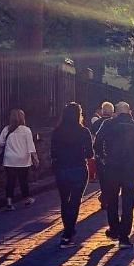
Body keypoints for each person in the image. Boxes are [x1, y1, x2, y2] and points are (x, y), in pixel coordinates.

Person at [94, 101, 134, 249]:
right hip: (130, 169)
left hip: (112, 168)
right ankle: (124, 237)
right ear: (130, 112)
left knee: (112, 200)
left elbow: (97, 144)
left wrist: (104, 157)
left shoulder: (108, 124)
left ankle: (114, 229)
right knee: (128, 202)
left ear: (116, 112)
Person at [50, 102, 94, 248]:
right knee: (75, 202)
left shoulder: (57, 132)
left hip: (62, 170)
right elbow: (89, 153)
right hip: (78, 169)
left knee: (64, 201)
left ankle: (68, 231)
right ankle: (68, 233)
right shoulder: (83, 132)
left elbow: (53, 153)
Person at [0, 109, 39, 210]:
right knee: (23, 180)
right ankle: (26, 199)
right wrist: (35, 158)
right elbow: (30, 146)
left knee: (10, 181)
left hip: (9, 159)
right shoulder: (26, 130)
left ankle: (9, 203)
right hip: (23, 159)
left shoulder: (6, 129)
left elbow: (0, 142)